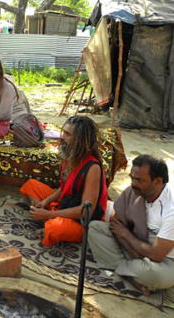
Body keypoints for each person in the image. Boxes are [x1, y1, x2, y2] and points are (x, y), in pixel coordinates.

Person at [88, 155, 174, 296]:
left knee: (153, 275)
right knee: (95, 229)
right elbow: (116, 224)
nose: (133, 183)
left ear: (158, 181)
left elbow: (157, 255)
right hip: (134, 247)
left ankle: (123, 268)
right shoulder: (134, 191)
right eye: (131, 178)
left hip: (166, 261)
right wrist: (131, 247)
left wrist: (126, 234)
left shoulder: (171, 209)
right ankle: (131, 276)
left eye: (139, 180)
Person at [19, 116, 109, 247]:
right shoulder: (71, 155)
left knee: (55, 228)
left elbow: (85, 211)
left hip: (83, 221)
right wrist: (46, 202)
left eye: (68, 134)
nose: (62, 137)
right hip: (67, 203)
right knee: (30, 185)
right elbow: (66, 187)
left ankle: (49, 221)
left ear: (80, 140)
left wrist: (50, 214)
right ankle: (47, 218)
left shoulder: (93, 168)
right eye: (64, 132)